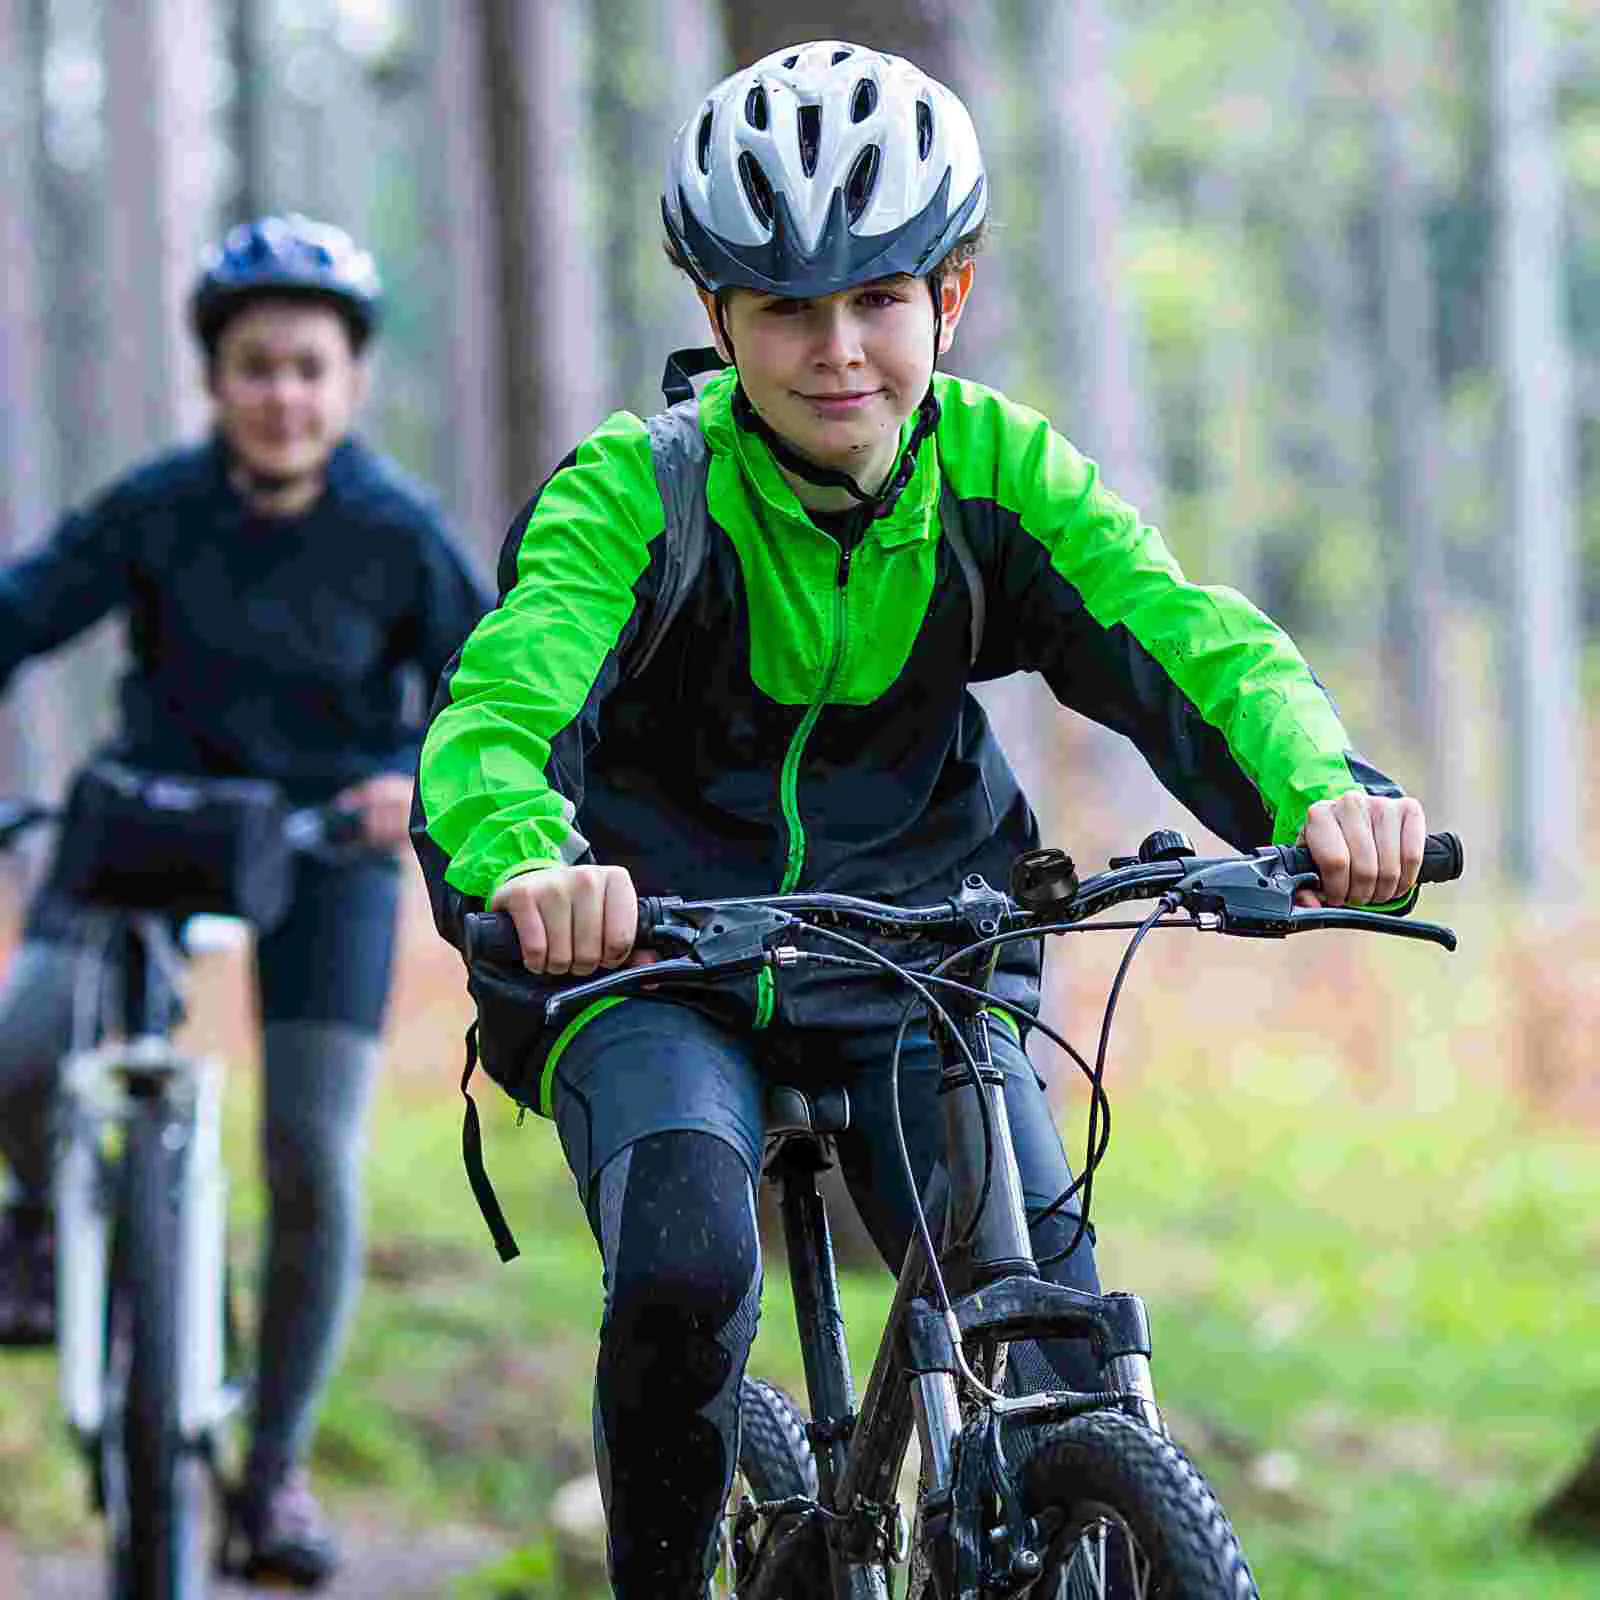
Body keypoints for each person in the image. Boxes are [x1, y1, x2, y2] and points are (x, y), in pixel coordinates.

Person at [411, 41, 1428, 1599]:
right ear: (715, 317)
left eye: (879, 300)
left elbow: (1184, 634)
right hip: (654, 958)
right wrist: (531, 865)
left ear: (949, 296)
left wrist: (1328, 792)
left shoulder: (998, 472)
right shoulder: (638, 491)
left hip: (922, 951)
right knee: (683, 1265)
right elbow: (499, 718)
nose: (837, 354)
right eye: (785, 310)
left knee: (1045, 1314)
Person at [0, 213, 490, 1587]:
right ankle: (54, 1233)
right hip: (150, 822)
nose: (284, 393)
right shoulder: (156, 509)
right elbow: (18, 614)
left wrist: (416, 777)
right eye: (257, 367)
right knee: (21, 1050)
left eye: (310, 369)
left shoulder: (397, 534)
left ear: (352, 384)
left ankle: (268, 1475)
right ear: (214, 381)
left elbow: (494, 694)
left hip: (327, 846)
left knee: (311, 1161)